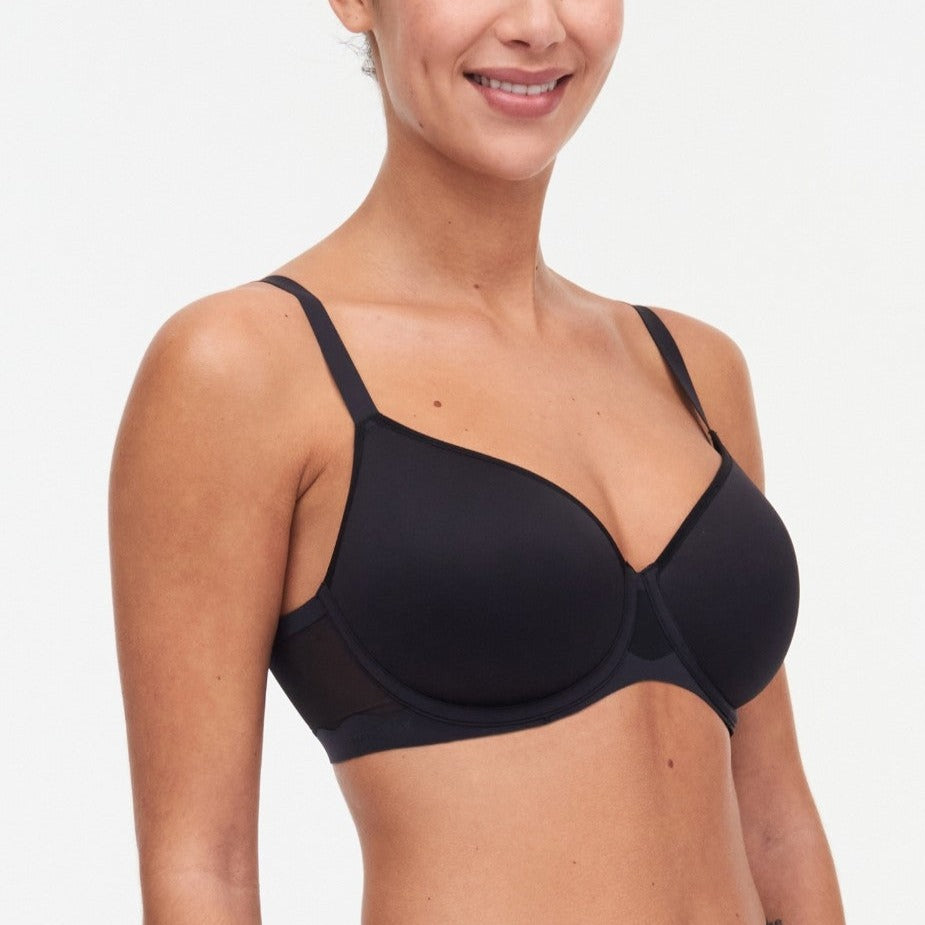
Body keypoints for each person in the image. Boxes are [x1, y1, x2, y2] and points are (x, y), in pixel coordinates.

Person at [109, 1, 845, 921]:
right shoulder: (246, 367)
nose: (537, 24)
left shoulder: (693, 370)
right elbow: (202, 867)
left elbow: (776, 821)